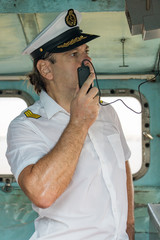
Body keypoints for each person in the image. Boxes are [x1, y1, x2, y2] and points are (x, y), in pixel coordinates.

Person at [6, 9, 135, 240]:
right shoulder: (25, 126)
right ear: (46, 69)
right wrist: (78, 122)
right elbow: (42, 193)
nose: (87, 60)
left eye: (86, 51)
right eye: (73, 54)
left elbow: (123, 165)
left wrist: (129, 226)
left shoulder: (107, 112)